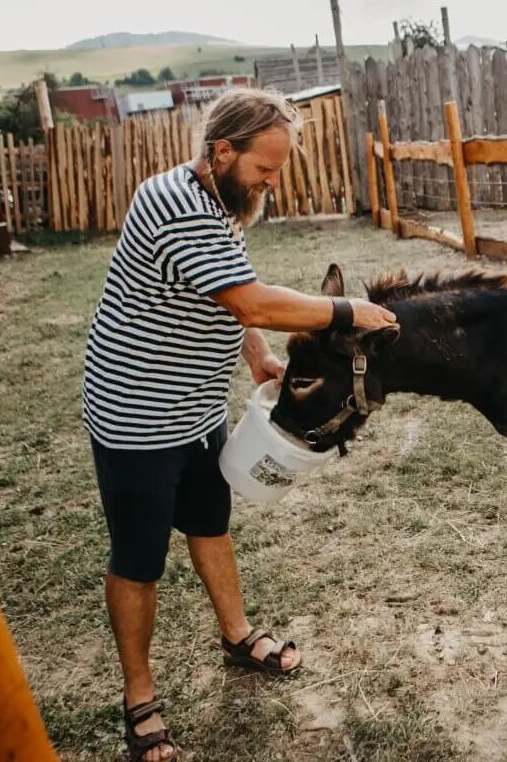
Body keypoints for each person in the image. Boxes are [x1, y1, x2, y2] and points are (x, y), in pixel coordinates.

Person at [81, 88, 397, 762]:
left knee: (210, 523)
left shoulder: (221, 203)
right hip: (136, 414)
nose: (271, 183)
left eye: (278, 170)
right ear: (222, 151)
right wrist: (345, 311)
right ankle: (139, 696)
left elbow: (230, 293)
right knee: (139, 560)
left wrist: (255, 356)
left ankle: (237, 635)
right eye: (264, 169)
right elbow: (252, 298)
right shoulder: (173, 205)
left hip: (196, 409)